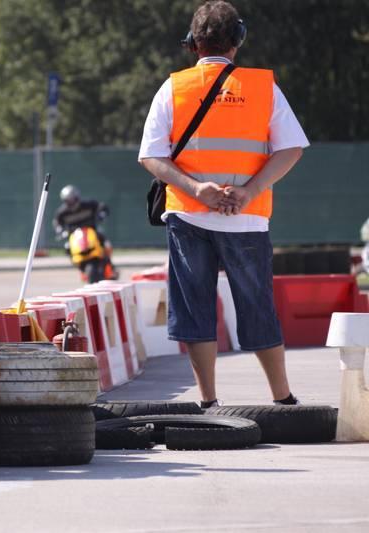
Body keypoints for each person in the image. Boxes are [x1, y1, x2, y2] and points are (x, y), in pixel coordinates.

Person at [138, 1, 309, 407]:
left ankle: (209, 402)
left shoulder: (174, 88)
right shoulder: (263, 88)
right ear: (238, 41)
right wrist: (249, 191)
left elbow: (150, 156)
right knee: (257, 306)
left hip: (188, 216)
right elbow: (291, 149)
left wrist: (197, 190)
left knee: (195, 309)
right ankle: (283, 398)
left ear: (193, 43)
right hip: (247, 219)